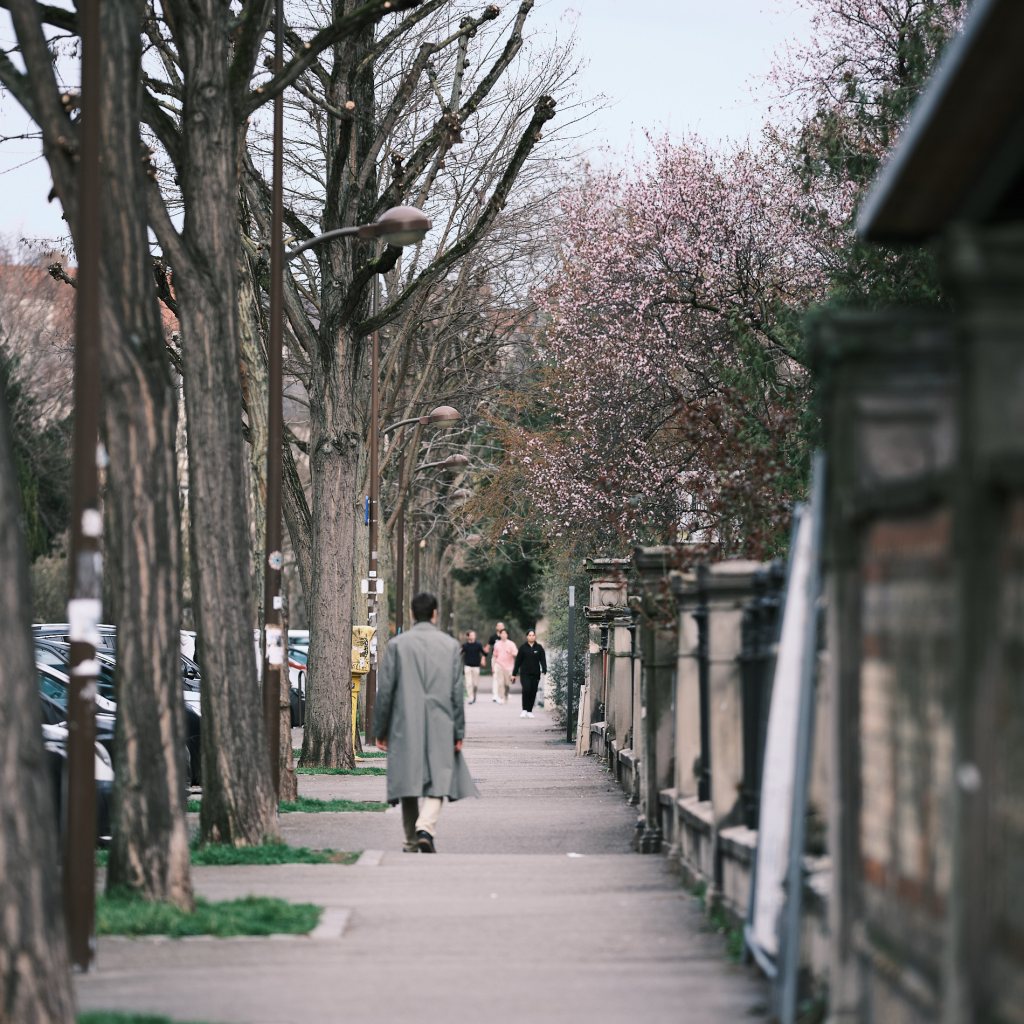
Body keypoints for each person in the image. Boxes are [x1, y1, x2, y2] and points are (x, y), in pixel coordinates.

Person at [373, 592, 479, 853]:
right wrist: (459, 730)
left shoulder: (398, 645)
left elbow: (385, 691)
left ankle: (411, 838)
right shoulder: (450, 646)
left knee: (407, 780)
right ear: (435, 614)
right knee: (440, 777)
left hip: (404, 722)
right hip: (441, 721)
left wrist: (380, 729)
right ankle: (426, 827)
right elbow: (457, 693)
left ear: (411, 613)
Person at [511, 629, 547, 718]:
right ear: (527, 637)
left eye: (533, 635)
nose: (531, 637)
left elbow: (542, 659)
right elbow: (518, 662)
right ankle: (524, 710)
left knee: (533, 691)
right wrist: (514, 674)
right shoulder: (523, 648)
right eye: (530, 635)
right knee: (526, 689)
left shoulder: (539, 648)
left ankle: (530, 711)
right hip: (525, 673)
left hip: (535, 674)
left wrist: (544, 668)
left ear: (535, 636)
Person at [490, 627, 517, 704]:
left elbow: (516, 653)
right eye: (502, 633)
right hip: (499, 665)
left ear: (507, 635)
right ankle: (501, 697)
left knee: (507, 684)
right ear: (500, 635)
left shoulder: (511, 644)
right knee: (500, 683)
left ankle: (506, 695)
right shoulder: (497, 644)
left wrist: (511, 652)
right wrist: (493, 666)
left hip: (509, 667)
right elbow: (494, 656)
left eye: (505, 633)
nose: (503, 635)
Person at [461, 629, 486, 704]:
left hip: (476, 666)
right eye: (471, 635)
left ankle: (474, 695)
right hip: (467, 666)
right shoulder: (465, 645)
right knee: (468, 683)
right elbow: (459, 653)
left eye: (474, 635)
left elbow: (484, 653)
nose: (473, 636)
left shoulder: (478, 645)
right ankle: (470, 698)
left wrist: (483, 659)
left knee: (475, 684)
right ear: (468, 636)